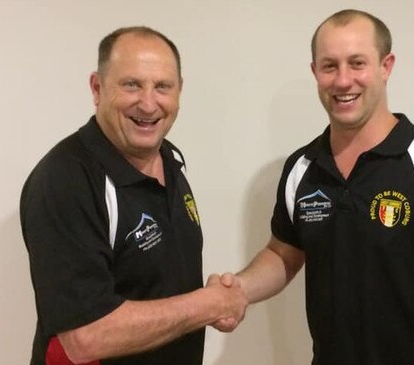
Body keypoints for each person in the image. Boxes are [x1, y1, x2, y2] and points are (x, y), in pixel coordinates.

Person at [214, 9, 414, 365]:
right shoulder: (303, 169)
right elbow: (285, 252)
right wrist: (239, 290)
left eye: (357, 63)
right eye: (329, 66)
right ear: (315, 72)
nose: (343, 81)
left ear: (385, 66)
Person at [20, 26, 247, 365]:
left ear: (180, 91)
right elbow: (86, 336)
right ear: (97, 88)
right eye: (131, 85)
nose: (148, 102)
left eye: (163, 87)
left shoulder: (169, 159)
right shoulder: (66, 180)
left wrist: (215, 298)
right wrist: (209, 304)